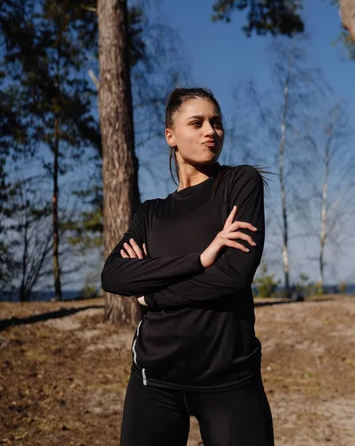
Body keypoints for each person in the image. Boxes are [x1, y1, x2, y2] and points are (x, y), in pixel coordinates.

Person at [101, 87, 275, 446]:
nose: (211, 131)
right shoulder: (151, 213)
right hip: (154, 378)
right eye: (196, 123)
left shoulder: (239, 184)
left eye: (216, 123)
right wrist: (200, 259)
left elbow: (233, 275)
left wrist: (152, 295)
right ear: (171, 137)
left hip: (227, 376)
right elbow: (114, 275)